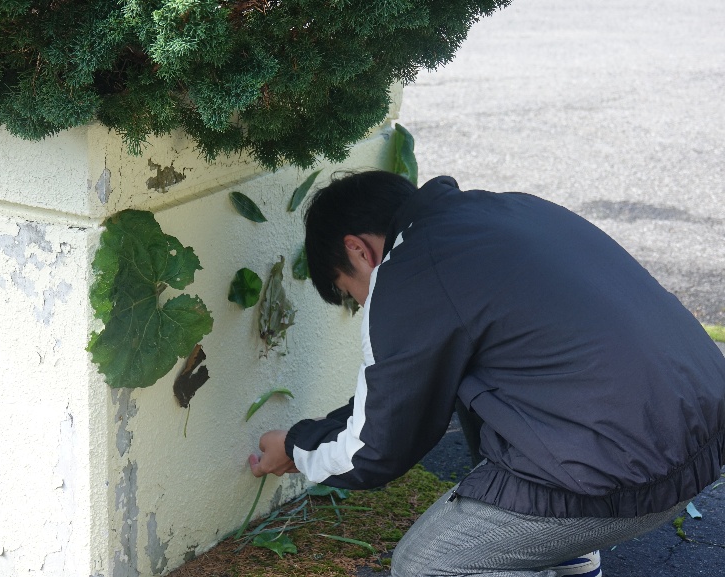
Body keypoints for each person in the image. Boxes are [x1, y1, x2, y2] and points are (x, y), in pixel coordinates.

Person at [248, 171, 725, 577]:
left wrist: (296, 448)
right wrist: (316, 432)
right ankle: (569, 558)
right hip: (702, 435)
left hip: (622, 472)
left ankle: (563, 545)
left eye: (350, 292)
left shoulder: (408, 273)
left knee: (428, 565)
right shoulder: (506, 212)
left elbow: (373, 452)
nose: (362, 303)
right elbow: (403, 394)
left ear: (358, 251)